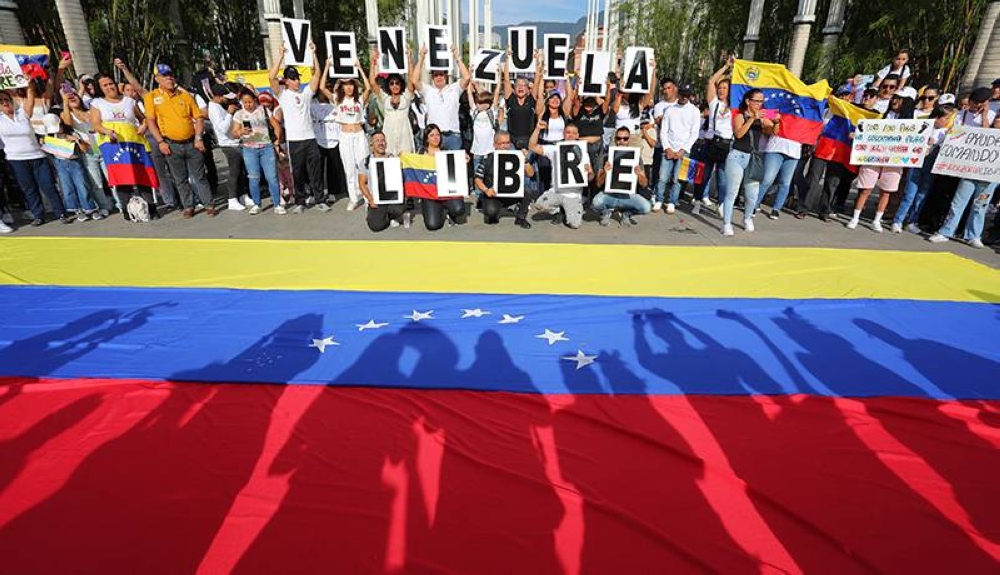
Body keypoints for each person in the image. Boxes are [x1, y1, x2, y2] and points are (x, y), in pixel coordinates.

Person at [144, 63, 215, 218]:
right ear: (157, 79)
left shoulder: (185, 96)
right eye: (164, 75)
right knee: (180, 178)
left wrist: (198, 138)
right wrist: (160, 142)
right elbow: (150, 121)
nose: (169, 78)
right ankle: (188, 206)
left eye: (170, 74)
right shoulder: (151, 97)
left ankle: (209, 203)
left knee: (200, 175)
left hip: (191, 142)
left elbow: (198, 117)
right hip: (170, 143)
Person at [91, 72, 160, 220]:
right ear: (100, 88)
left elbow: (143, 118)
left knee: (142, 174)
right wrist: (107, 131)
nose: (109, 87)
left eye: (111, 83)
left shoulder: (129, 101)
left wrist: (143, 126)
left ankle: (151, 208)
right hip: (113, 144)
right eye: (105, 85)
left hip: (134, 141)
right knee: (122, 178)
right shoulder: (97, 103)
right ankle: (127, 210)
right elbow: (96, 124)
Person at [846, 89, 916, 232]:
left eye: (899, 98)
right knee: (865, 188)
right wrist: (858, 136)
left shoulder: (911, 124)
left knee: (886, 191)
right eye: (895, 97)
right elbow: (868, 131)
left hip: (894, 160)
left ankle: (877, 220)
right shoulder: (882, 116)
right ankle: (855, 218)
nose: (895, 101)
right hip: (874, 155)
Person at [927, 112, 1000, 248]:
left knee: (980, 206)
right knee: (957, 203)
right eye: (997, 117)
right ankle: (945, 231)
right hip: (970, 173)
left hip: (989, 179)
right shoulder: (981, 133)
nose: (998, 121)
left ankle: (974, 235)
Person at [0, 85, 69, 226]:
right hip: (16, 160)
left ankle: (61, 212)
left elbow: (30, 95)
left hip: (37, 156)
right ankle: (38, 215)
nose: (4, 103)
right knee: (29, 188)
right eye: (0, 101)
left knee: (48, 185)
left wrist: (29, 82)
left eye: (6, 99)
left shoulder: (23, 113)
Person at [268, 43, 324, 213]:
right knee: (298, 172)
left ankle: (320, 198)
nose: (297, 81)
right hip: (294, 140)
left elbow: (317, 75)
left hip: (310, 138)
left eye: (298, 78)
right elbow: (271, 77)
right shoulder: (283, 95)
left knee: (315, 170)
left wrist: (314, 53)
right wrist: (280, 56)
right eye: (293, 78)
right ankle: (300, 202)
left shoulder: (306, 93)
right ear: (286, 80)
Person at [891, 99, 956, 233]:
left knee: (922, 195)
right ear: (938, 117)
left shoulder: (946, 132)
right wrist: (927, 142)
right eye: (946, 118)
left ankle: (912, 221)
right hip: (917, 165)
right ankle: (898, 220)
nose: (948, 121)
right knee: (909, 195)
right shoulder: (925, 127)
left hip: (931, 166)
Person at [722, 88, 775, 236]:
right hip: (737, 157)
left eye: (761, 101)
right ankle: (726, 223)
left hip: (753, 158)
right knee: (732, 192)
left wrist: (776, 122)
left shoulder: (763, 117)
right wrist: (752, 118)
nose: (760, 104)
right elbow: (738, 134)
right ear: (748, 101)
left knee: (752, 194)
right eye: (757, 101)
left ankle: (747, 218)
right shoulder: (739, 116)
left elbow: (772, 132)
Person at [320, 58, 371, 211]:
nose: (349, 87)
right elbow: (322, 87)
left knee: (363, 165)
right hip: (345, 136)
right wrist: (327, 66)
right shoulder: (338, 100)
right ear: (342, 87)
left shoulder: (360, 101)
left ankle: (368, 196)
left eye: (351, 84)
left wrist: (360, 68)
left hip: (359, 134)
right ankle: (354, 197)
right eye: (346, 84)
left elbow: (368, 88)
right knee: (349, 168)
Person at [59, 82, 113, 216]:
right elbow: (67, 122)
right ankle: (103, 206)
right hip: (88, 152)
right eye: (69, 99)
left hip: (103, 148)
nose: (72, 99)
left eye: (74, 96)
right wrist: (65, 102)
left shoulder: (91, 111)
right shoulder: (68, 116)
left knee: (112, 179)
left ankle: (120, 203)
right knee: (97, 184)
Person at [529, 119, 593, 228]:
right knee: (540, 204)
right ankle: (557, 211)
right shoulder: (555, 149)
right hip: (556, 191)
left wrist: (590, 172)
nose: (570, 135)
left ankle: (566, 211)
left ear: (577, 135)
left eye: (573, 133)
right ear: (563, 134)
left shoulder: (584, 152)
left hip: (573, 195)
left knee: (574, 225)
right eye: (568, 132)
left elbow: (590, 179)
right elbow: (533, 146)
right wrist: (538, 129)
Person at [41, 113, 102, 222]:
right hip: (60, 163)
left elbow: (84, 149)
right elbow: (48, 150)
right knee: (67, 187)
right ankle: (76, 209)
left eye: (58, 127)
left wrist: (77, 140)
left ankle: (90, 208)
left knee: (82, 185)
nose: (57, 130)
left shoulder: (72, 133)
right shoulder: (49, 136)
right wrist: (43, 143)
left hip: (74, 162)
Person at [232, 89, 284, 215]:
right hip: (249, 149)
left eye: (250, 102)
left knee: (272, 177)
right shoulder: (239, 114)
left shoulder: (264, 110)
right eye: (245, 102)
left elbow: (277, 126)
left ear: (255, 100)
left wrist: (276, 141)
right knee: (253, 178)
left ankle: (277, 204)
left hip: (266, 148)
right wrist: (241, 132)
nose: (248, 105)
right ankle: (256, 203)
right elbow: (234, 133)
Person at [412, 44, 471, 151]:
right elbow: (414, 80)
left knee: (454, 167)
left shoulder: (455, 88)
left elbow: (467, 77)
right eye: (435, 75)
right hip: (434, 137)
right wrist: (421, 57)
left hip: (453, 136)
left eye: (441, 74)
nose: (439, 77)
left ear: (446, 76)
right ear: (432, 78)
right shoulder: (428, 90)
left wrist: (457, 57)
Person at [473, 130, 535, 229]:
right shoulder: (487, 159)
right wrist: (486, 190)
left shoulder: (516, 156)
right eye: (502, 143)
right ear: (495, 145)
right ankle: (492, 210)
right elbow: (477, 179)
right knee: (491, 213)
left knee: (527, 191)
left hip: (512, 193)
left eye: (507, 143)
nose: (505, 146)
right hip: (494, 195)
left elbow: (531, 174)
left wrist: (525, 160)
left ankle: (521, 218)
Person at [592, 126, 652, 227]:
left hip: (628, 196)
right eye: (619, 138)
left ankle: (627, 213)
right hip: (609, 195)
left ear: (629, 140)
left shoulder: (636, 157)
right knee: (595, 203)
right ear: (615, 139)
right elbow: (598, 183)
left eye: (625, 138)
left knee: (646, 208)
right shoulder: (605, 157)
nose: (621, 141)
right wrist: (605, 172)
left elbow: (644, 183)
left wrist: (638, 175)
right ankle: (606, 212)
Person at [654, 84, 699, 214]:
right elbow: (664, 131)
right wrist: (667, 148)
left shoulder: (694, 111)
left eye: (687, 95)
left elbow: (694, 133)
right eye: (682, 94)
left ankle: (672, 201)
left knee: (677, 179)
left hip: (683, 150)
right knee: (663, 177)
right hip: (668, 148)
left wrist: (682, 150)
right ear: (678, 94)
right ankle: (659, 199)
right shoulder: (670, 109)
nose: (684, 97)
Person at [695, 58, 733, 208]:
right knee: (704, 175)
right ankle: (697, 201)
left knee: (722, 178)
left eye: (725, 88)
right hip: (711, 142)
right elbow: (711, 81)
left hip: (726, 145)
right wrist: (726, 67)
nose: (721, 90)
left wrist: (736, 71)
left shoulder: (735, 106)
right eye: (720, 87)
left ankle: (722, 205)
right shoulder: (714, 102)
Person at [208, 83, 251, 211]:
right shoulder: (214, 108)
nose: (228, 99)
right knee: (234, 172)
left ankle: (243, 195)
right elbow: (222, 128)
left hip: (235, 142)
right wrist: (229, 113)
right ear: (218, 97)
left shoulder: (219, 106)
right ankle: (231, 199)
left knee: (241, 171)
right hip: (227, 144)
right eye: (225, 97)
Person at [417, 124, 467, 230]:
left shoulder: (447, 152)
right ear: (426, 138)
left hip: (446, 192)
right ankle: (439, 210)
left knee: (459, 209)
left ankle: (449, 211)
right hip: (429, 194)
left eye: (438, 135)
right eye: (432, 135)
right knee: (433, 225)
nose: (436, 138)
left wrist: (463, 161)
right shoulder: (420, 154)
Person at [358, 131, 410, 231]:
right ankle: (379, 216)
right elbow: (361, 184)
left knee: (400, 208)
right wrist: (370, 199)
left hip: (392, 197)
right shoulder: (366, 162)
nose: (381, 143)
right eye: (377, 141)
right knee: (375, 226)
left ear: (386, 143)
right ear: (371, 144)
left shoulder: (393, 159)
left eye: (383, 140)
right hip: (376, 199)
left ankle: (391, 216)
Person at [310, 70, 347, 206]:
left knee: (334, 168)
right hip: (317, 139)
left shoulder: (335, 102)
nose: (326, 91)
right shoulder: (311, 103)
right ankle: (317, 192)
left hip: (334, 140)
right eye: (325, 88)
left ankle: (334, 191)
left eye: (330, 89)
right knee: (317, 169)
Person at [370, 54, 415, 156]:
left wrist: (410, 61)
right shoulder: (384, 97)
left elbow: (412, 81)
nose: (395, 85)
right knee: (389, 159)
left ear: (401, 84)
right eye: (392, 83)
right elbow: (372, 83)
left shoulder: (406, 97)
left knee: (406, 159)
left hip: (404, 133)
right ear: (388, 86)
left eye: (397, 83)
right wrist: (373, 64)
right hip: (388, 132)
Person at [754, 129, 802, 219]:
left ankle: (776, 209)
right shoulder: (779, 113)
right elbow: (766, 116)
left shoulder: (809, 115)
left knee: (785, 182)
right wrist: (773, 120)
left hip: (794, 152)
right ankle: (754, 204)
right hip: (775, 148)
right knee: (767, 179)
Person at [502, 52, 540, 149]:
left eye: (523, 85)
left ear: (528, 89)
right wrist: (508, 58)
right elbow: (506, 80)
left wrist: (536, 61)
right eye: (518, 85)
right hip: (512, 141)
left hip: (529, 141)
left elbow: (536, 82)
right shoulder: (510, 100)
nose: (520, 87)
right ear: (513, 89)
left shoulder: (531, 100)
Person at [468, 80, 503, 177]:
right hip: (477, 151)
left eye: (480, 103)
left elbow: (496, 94)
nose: (477, 105)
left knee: (490, 173)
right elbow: (469, 95)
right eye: (477, 102)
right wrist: (471, 81)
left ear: (487, 104)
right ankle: (478, 192)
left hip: (490, 150)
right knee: (477, 174)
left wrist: (499, 78)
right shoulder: (474, 112)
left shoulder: (491, 112)